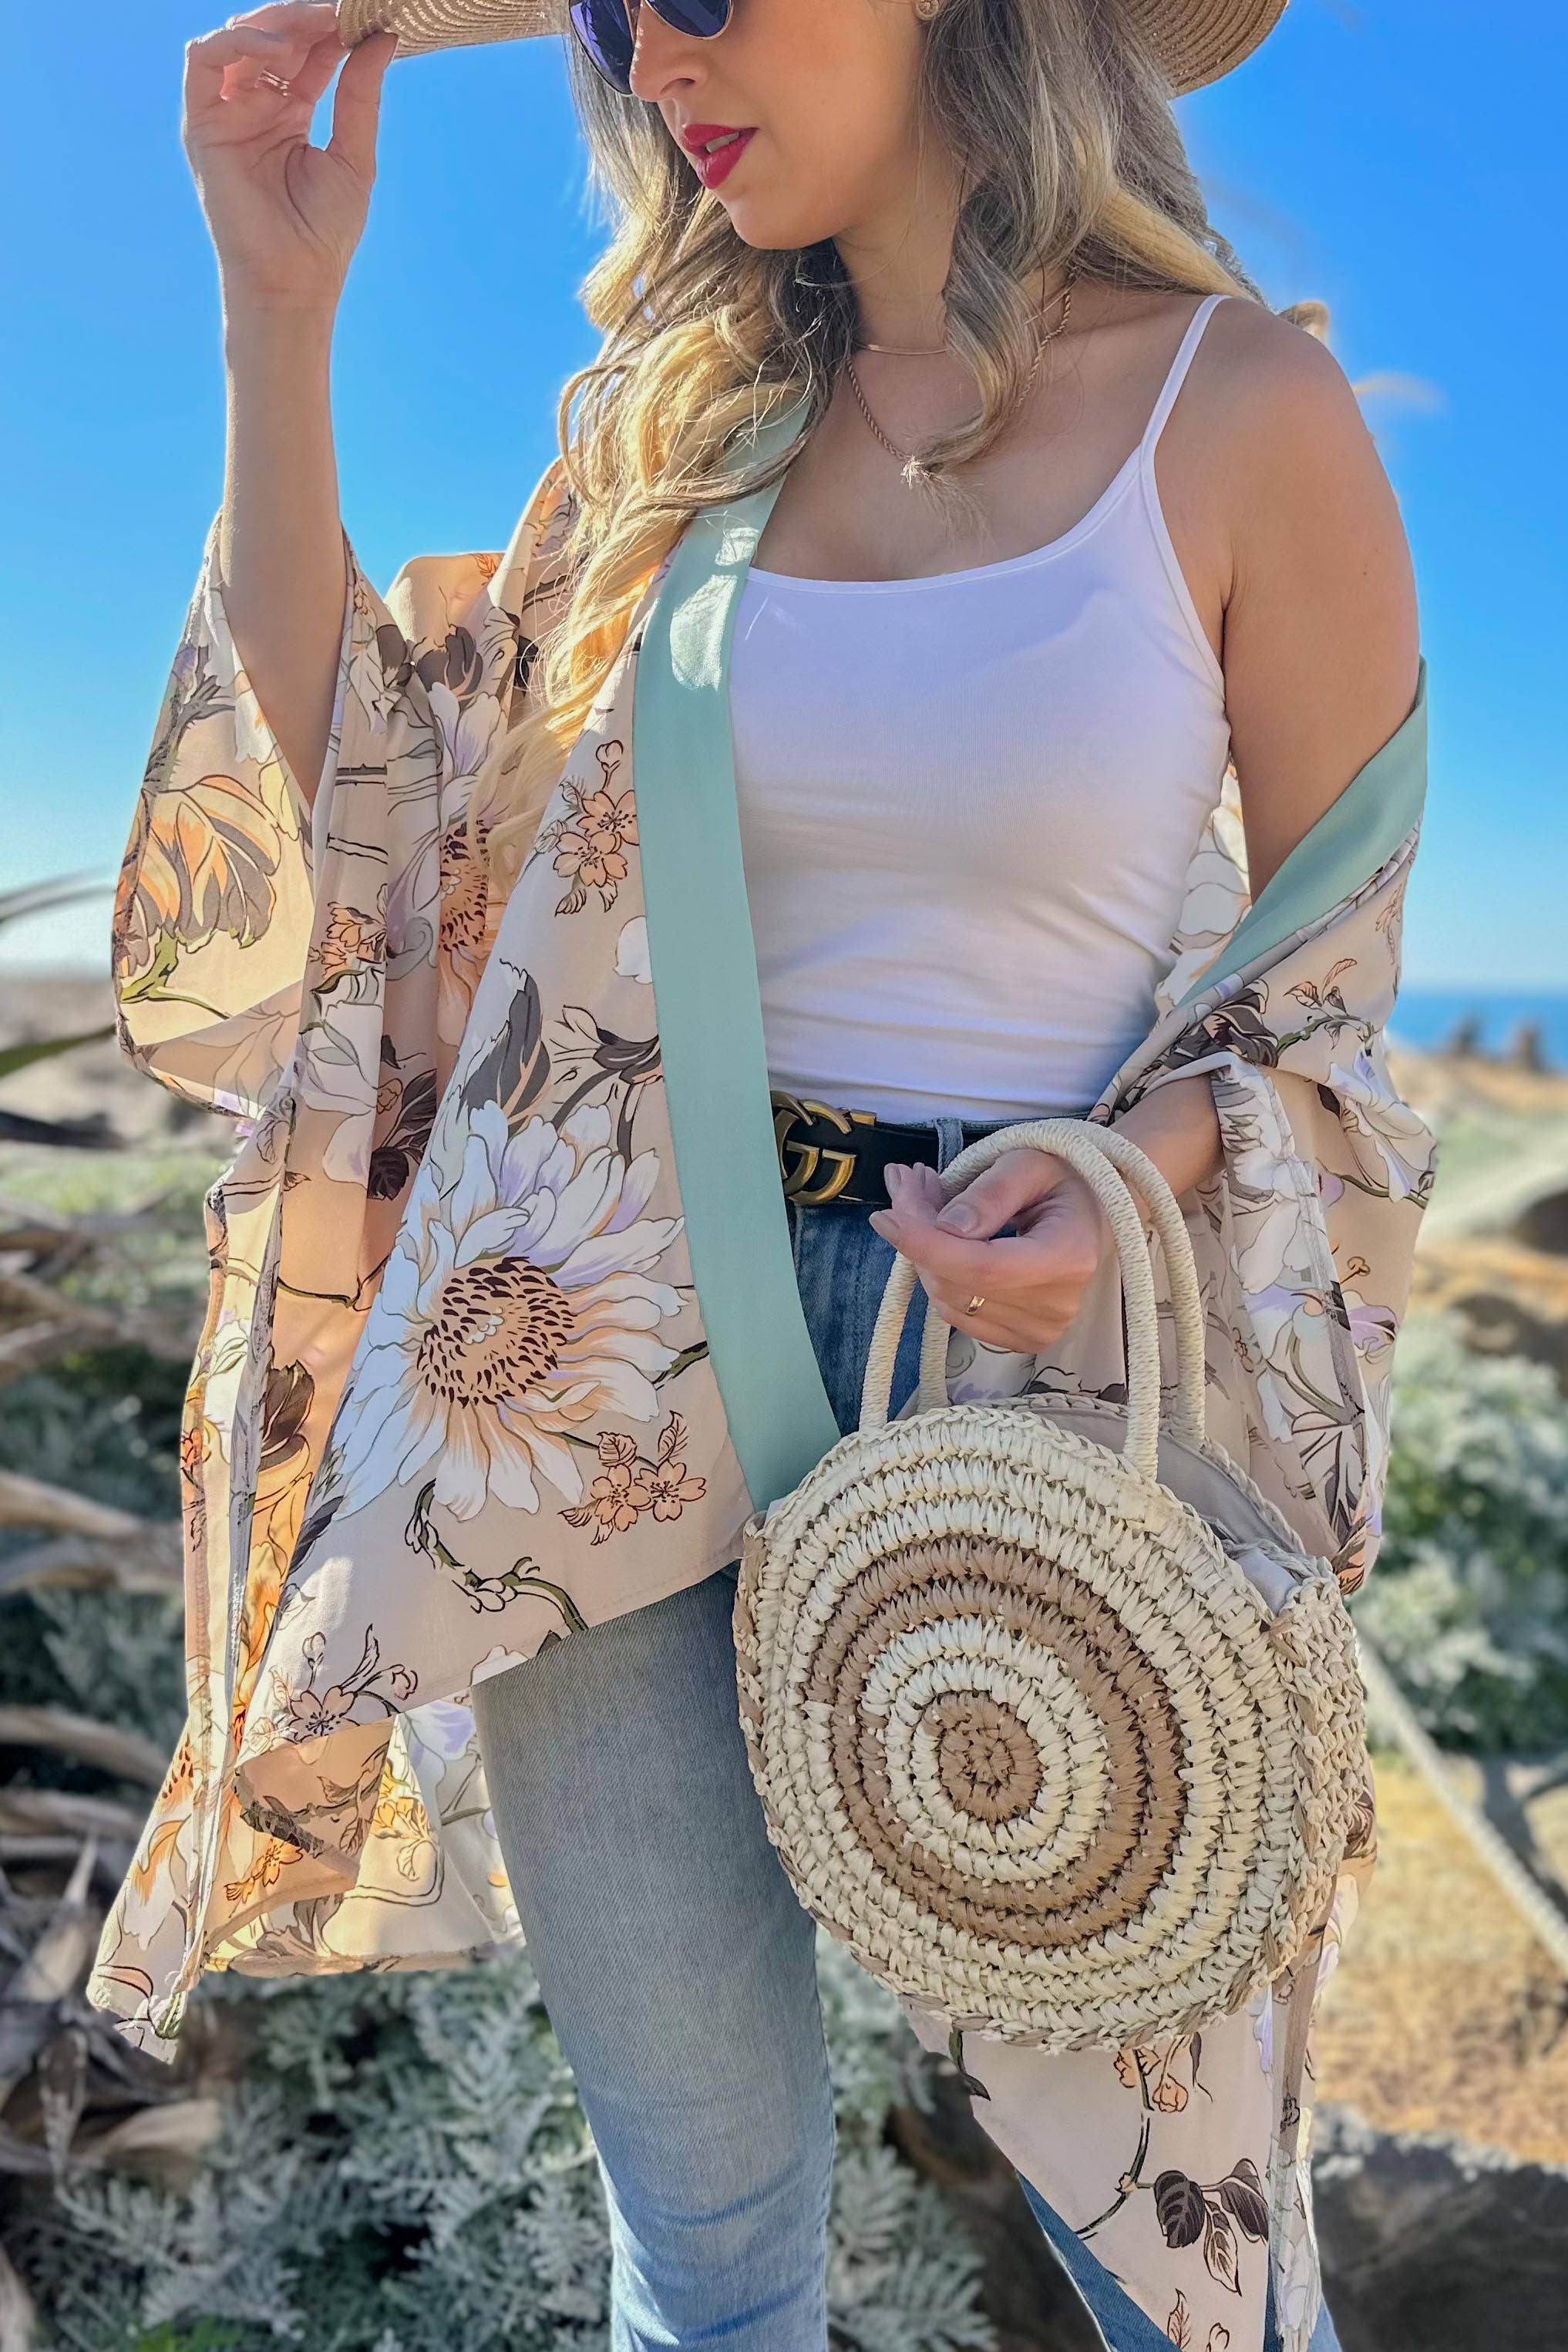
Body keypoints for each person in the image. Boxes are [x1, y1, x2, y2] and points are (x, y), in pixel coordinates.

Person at [89, 5, 1432, 2350]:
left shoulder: (1239, 412)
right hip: (583, 1366)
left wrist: (1130, 1163)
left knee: (1193, 2271)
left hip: (1026, 1384)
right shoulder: (671, 435)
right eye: (609, 12)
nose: (650, 63)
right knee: (707, 2261)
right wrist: (273, 318)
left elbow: (1321, 997)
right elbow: (347, 844)